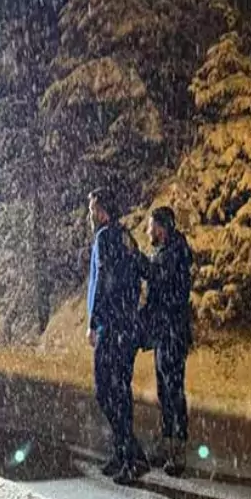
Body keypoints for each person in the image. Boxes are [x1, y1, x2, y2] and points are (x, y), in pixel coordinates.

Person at [86, 189, 148, 484]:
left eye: (92, 209)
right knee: (119, 389)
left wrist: (94, 322)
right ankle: (126, 452)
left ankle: (130, 457)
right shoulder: (125, 236)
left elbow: (103, 282)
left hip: (112, 327)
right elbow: (139, 271)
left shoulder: (104, 238)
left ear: (102, 211)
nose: (90, 214)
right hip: (126, 324)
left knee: (107, 391)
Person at [141, 206, 193, 477]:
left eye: (151, 227)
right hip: (164, 332)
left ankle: (177, 448)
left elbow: (163, 284)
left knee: (173, 390)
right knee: (165, 390)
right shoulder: (165, 253)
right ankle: (167, 441)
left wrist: (140, 262)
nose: (148, 231)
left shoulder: (174, 254)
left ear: (161, 228)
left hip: (173, 332)